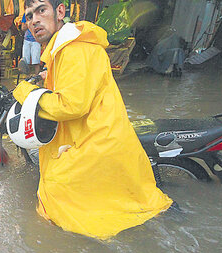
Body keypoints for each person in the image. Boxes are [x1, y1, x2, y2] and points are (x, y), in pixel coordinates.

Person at [12, 0, 173, 239]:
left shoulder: (74, 49)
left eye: (41, 10)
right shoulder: (65, 48)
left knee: (54, 195)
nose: (34, 20)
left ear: (59, 12)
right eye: (28, 16)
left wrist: (26, 93)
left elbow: (71, 105)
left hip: (96, 140)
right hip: (98, 131)